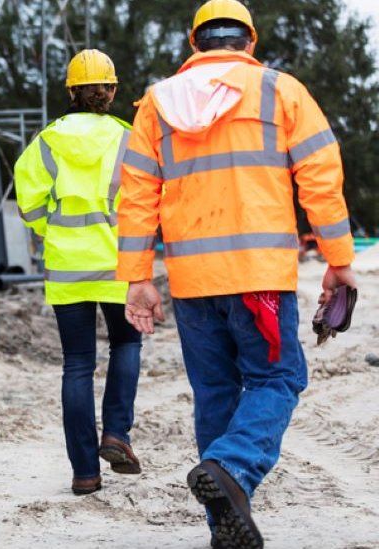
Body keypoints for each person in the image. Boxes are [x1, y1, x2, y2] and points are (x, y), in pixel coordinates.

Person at [117, 1, 356, 547]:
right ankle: (233, 465)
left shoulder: (156, 104)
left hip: (193, 281)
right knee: (278, 378)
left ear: (192, 41)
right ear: (250, 41)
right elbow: (320, 177)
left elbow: (135, 197)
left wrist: (138, 277)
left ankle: (225, 525)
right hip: (259, 276)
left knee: (216, 392)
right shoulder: (280, 90)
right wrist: (339, 261)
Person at [14, 49, 143, 496]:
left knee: (77, 365)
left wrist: (54, 230)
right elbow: (145, 200)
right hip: (118, 263)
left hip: (68, 266)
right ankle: (117, 434)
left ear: (70, 91)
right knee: (126, 344)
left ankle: (85, 473)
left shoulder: (47, 141)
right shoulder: (129, 138)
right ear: (111, 92)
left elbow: (28, 203)